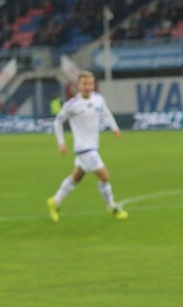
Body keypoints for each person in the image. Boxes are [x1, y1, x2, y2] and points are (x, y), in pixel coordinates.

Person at [46, 71, 128, 221]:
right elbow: (57, 121)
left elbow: (106, 113)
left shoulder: (98, 99)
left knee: (77, 176)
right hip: (84, 148)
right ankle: (112, 206)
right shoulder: (72, 105)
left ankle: (55, 201)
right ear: (78, 85)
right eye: (84, 84)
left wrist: (114, 128)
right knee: (104, 176)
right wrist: (61, 143)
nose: (87, 87)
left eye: (90, 83)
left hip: (93, 145)